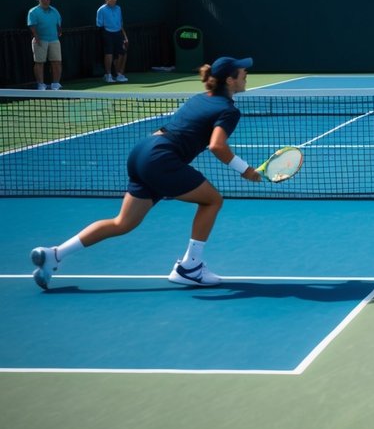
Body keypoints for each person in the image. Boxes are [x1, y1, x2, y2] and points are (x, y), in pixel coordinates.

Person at [29, 57, 261, 291]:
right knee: (212, 200)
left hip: (143, 151)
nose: (246, 75)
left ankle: (54, 255)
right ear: (230, 80)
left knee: (123, 223)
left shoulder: (199, 99)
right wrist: (246, 170)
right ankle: (190, 267)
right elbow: (217, 145)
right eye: (242, 72)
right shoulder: (228, 110)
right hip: (161, 159)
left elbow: (172, 130)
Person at [28, 0, 63, 91]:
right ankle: (41, 85)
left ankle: (55, 84)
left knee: (57, 62)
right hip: (40, 40)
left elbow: (58, 24)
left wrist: (59, 31)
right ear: (38, 0)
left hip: (54, 40)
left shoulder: (55, 11)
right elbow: (32, 26)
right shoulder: (33, 12)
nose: (46, 0)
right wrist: (37, 38)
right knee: (39, 62)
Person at [97, 0, 129, 83]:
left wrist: (124, 36)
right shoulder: (101, 10)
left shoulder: (118, 8)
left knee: (121, 53)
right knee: (109, 54)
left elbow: (120, 22)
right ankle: (108, 75)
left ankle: (118, 74)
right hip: (107, 33)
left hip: (118, 33)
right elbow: (99, 25)